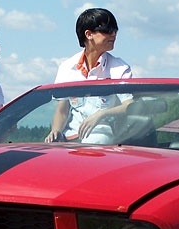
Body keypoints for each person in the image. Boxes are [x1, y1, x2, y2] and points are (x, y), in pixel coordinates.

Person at [45, 8, 133, 144]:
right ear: (89, 34)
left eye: (115, 31)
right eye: (107, 30)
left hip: (103, 137)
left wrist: (101, 114)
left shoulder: (119, 68)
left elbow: (129, 105)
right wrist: (55, 131)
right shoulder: (67, 68)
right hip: (70, 138)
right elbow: (62, 109)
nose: (113, 35)